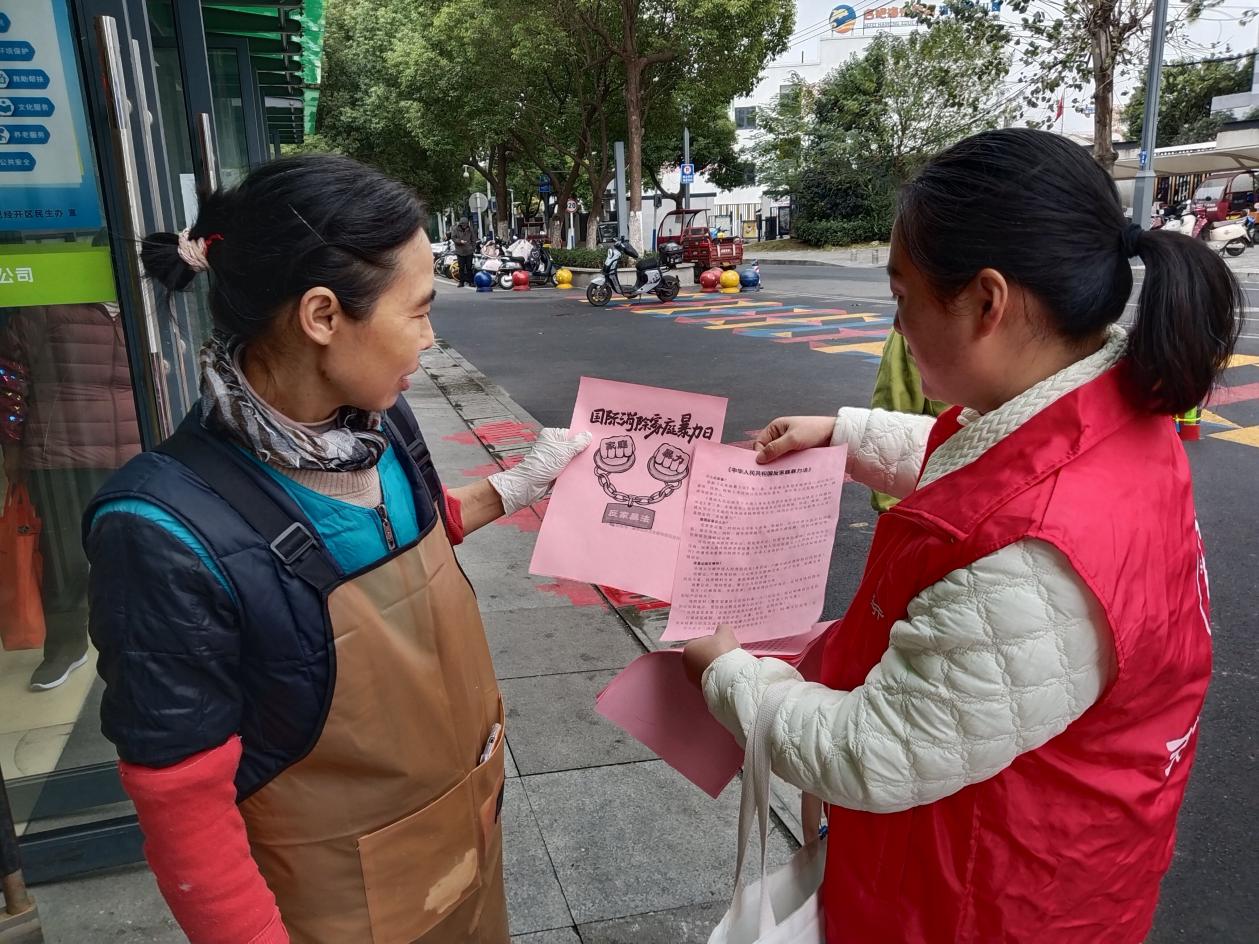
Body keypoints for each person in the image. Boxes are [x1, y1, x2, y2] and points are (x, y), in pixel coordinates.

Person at [683, 128, 1240, 943]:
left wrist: (722, 670)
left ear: (986, 302)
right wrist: (842, 436)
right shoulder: (1110, 410)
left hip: (983, 904)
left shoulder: (1033, 563)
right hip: (1052, 855)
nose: (896, 323)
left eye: (901, 295)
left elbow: (872, 753)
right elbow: (991, 463)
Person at [85, 154, 591, 944]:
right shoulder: (161, 530)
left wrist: (522, 482)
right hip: (333, 909)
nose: (429, 337)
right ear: (321, 316)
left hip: (464, 849)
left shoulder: (378, 424)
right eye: (417, 311)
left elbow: (409, 535)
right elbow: (181, 801)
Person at [0, 301, 141, 690]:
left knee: (137, 550)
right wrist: (12, 448)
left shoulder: (139, 305)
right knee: (65, 556)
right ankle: (65, 647)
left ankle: (140, 641)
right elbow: (10, 380)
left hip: (134, 448)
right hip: (63, 454)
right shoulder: (46, 309)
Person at [867, 329, 947, 512]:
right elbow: (891, 423)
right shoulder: (910, 331)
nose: (897, 323)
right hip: (938, 503)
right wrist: (892, 510)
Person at [451, 213, 476, 287]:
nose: (465, 226)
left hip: (469, 251)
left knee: (469, 267)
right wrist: (460, 241)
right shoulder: (456, 229)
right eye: (463, 224)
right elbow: (453, 238)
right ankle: (461, 282)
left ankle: (471, 282)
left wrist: (473, 248)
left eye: (466, 224)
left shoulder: (470, 229)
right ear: (461, 224)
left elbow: (473, 239)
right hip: (460, 251)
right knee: (461, 268)